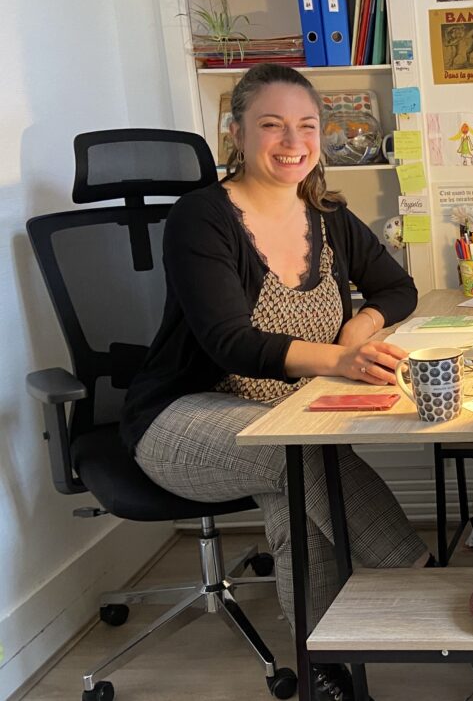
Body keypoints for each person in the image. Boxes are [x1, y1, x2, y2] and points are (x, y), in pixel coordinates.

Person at [120, 63, 428, 700]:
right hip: (179, 417)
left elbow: (399, 286)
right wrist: (339, 361)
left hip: (293, 417)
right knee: (294, 455)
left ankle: (320, 664)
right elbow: (229, 343)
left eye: (307, 125)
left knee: (294, 484)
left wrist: (361, 324)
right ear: (235, 133)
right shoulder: (200, 219)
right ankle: (424, 583)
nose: (294, 140)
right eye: (272, 125)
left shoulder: (330, 217)